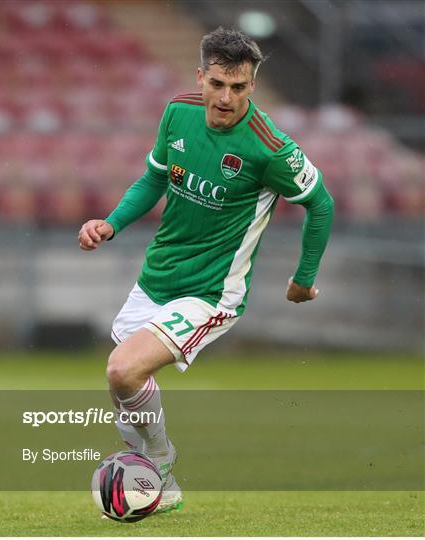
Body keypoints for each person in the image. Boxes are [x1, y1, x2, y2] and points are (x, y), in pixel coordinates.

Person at [78, 27, 334, 513]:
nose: (226, 97)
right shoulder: (178, 110)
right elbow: (154, 176)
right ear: (201, 77)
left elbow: (321, 204)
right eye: (217, 84)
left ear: (252, 85)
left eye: (238, 88)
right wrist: (110, 225)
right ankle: (154, 476)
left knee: (122, 367)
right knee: (123, 382)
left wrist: (303, 279)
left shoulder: (270, 147)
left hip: (212, 292)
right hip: (157, 277)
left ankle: (156, 463)